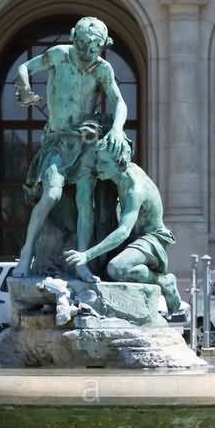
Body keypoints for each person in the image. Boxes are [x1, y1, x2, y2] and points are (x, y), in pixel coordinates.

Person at [12, 16, 130, 282]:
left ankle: (82, 263)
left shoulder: (103, 69)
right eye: (83, 45)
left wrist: (118, 128)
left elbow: (119, 102)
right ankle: (26, 252)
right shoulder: (59, 55)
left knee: (85, 203)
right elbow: (23, 68)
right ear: (74, 38)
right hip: (57, 139)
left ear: (102, 46)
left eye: (94, 47)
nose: (88, 52)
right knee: (52, 194)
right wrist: (25, 90)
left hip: (85, 141)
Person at [62, 136, 183, 317]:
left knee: (117, 269)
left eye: (103, 162)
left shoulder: (136, 189)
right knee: (104, 269)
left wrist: (86, 254)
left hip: (152, 240)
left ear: (119, 161)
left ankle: (162, 281)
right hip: (135, 239)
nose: (98, 167)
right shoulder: (122, 175)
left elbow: (123, 231)